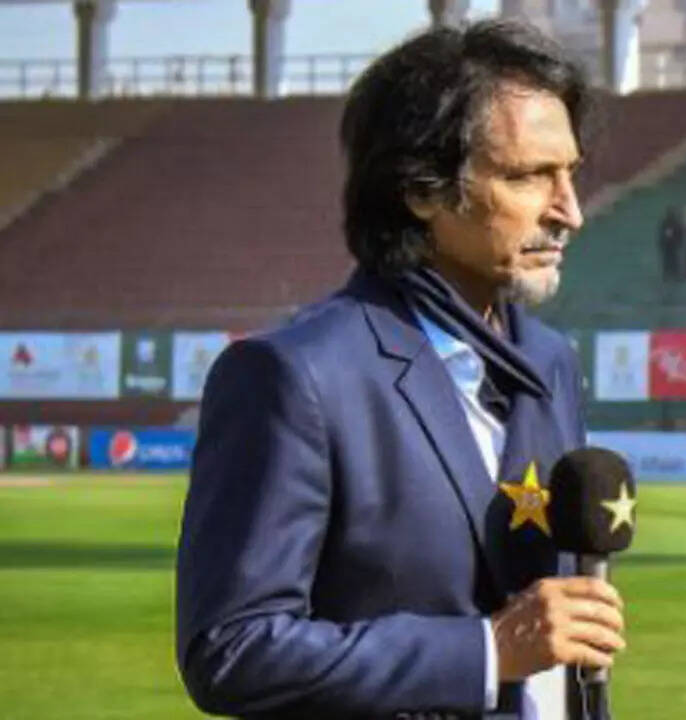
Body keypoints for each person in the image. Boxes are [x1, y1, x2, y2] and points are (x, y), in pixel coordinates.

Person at [176, 21, 625, 719]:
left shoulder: (549, 361)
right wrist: (485, 652)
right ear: (421, 190)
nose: (569, 211)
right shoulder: (293, 376)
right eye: (528, 176)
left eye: (569, 172)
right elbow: (232, 648)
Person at [657, 205, 682, 280]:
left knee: (671, 260)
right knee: (670, 260)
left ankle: (671, 274)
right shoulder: (668, 223)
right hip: (669, 244)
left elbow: (679, 233)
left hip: (670, 244)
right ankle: (670, 274)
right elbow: (663, 234)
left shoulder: (671, 223)